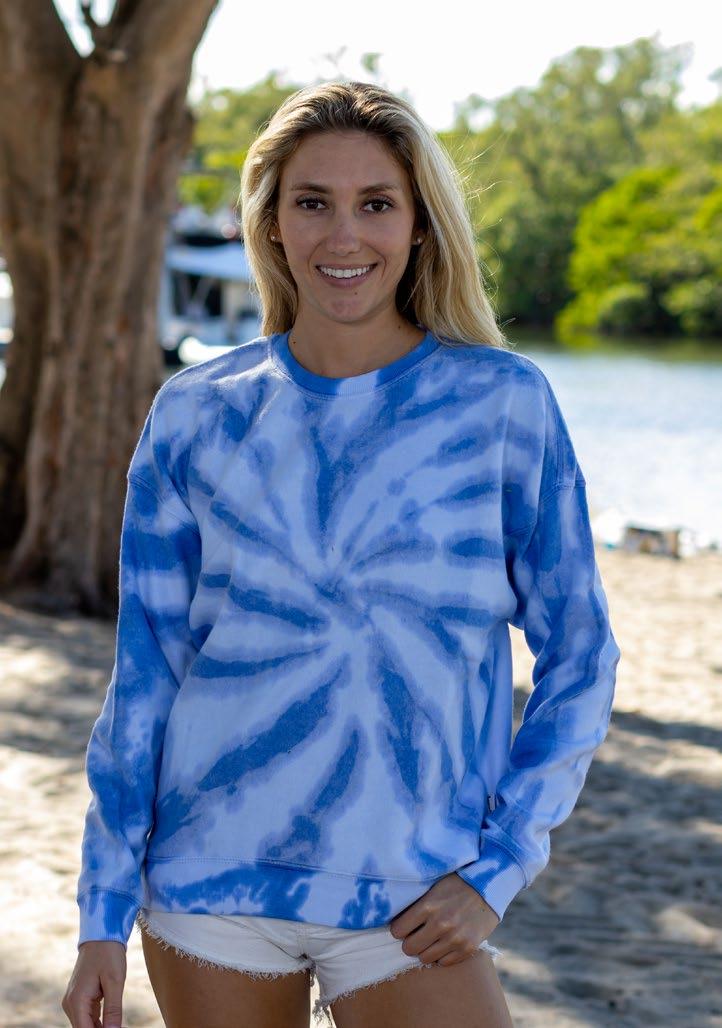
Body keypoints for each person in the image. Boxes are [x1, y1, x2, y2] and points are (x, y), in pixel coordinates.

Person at [62, 80, 621, 1028]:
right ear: (272, 224)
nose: (344, 234)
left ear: (420, 225)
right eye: (312, 202)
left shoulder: (501, 405)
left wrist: (501, 863)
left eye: (377, 203)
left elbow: (581, 654)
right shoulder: (196, 413)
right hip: (210, 881)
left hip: (418, 890)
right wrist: (102, 911)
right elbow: (147, 674)